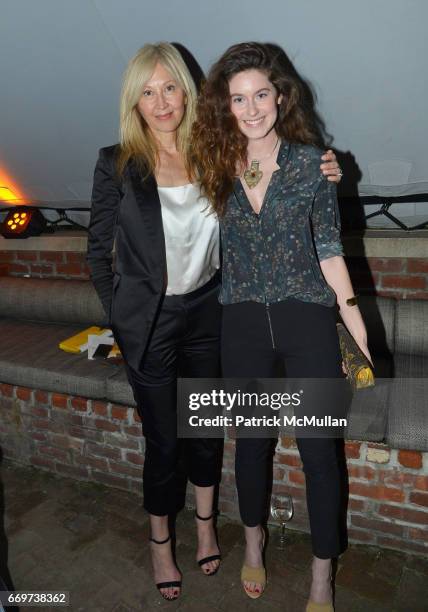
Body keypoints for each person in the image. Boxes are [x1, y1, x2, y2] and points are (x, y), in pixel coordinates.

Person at [87, 42, 342, 602]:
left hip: (209, 314)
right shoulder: (118, 162)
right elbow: (96, 255)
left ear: (189, 92)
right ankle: (160, 542)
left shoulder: (213, 154)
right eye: (147, 92)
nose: (161, 102)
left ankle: (205, 527)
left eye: (170, 87)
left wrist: (326, 164)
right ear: (134, 101)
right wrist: (124, 322)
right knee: (165, 441)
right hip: (151, 325)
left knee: (204, 434)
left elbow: (281, 175)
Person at [192, 42, 371, 611]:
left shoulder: (312, 163)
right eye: (237, 98)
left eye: (260, 95)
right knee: (250, 444)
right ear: (225, 105)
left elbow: (330, 251)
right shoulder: (214, 166)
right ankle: (253, 543)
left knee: (320, 452)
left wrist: (357, 328)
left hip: (307, 323)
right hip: (241, 323)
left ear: (280, 96)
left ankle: (323, 574)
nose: (250, 109)